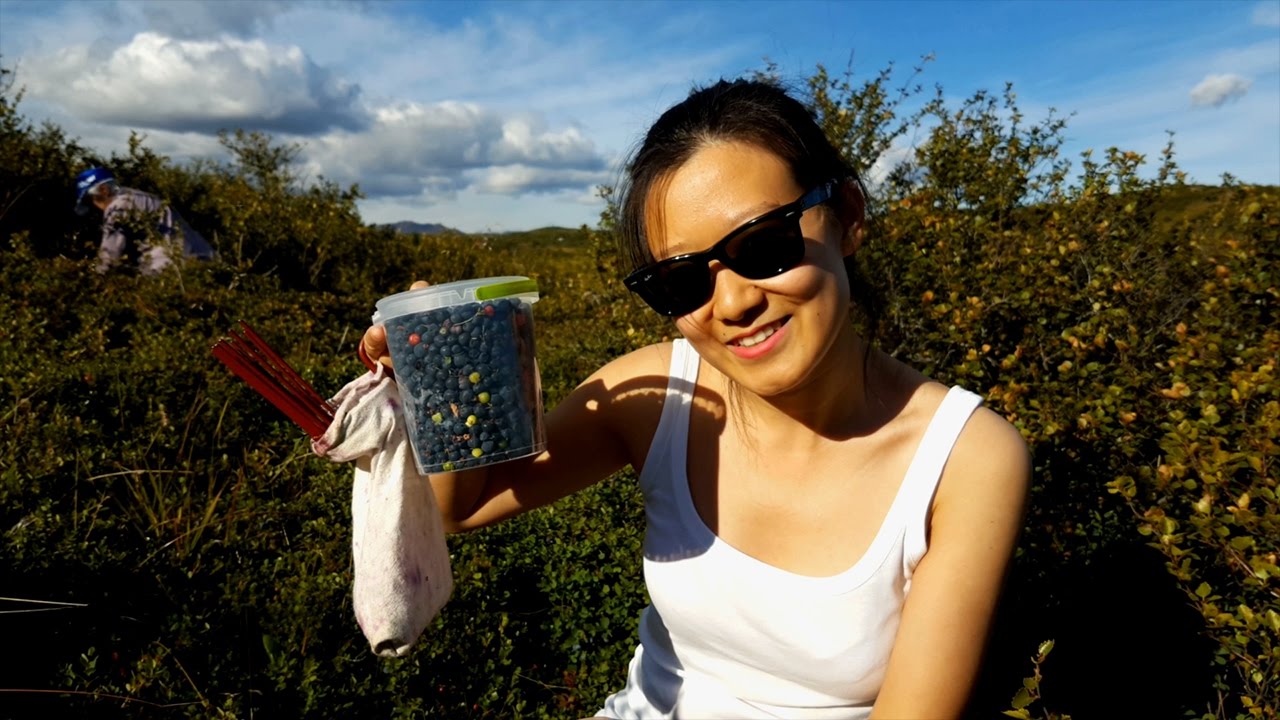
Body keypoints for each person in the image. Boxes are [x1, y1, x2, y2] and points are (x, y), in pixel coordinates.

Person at [360, 78, 1030, 719]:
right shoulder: (652, 397)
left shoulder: (965, 459)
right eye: (681, 282)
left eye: (765, 244)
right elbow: (468, 503)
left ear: (848, 217)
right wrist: (442, 376)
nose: (734, 301)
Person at [74, 167, 216, 275]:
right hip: (205, 260)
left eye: (91, 199)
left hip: (170, 269)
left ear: (104, 190)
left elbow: (110, 254)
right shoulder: (142, 197)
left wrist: (95, 281)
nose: (94, 205)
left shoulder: (119, 206)